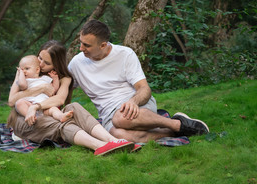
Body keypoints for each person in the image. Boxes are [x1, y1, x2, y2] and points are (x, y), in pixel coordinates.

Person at [68, 19, 209, 143]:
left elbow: (144, 89)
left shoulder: (125, 54)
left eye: (86, 45)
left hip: (137, 106)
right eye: (81, 43)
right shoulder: (77, 63)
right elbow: (63, 88)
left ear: (103, 45)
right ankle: (170, 131)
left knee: (120, 118)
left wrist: (133, 102)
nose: (81, 48)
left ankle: (179, 125)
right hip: (108, 116)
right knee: (119, 136)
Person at [7, 40, 141, 156]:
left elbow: (59, 100)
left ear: (56, 64)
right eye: (39, 58)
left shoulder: (64, 78)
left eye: (46, 62)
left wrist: (37, 106)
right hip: (27, 120)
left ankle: (114, 141)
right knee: (62, 123)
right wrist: (40, 89)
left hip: (50, 115)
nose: (40, 64)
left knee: (74, 107)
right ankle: (99, 146)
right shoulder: (25, 73)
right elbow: (12, 101)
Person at [13, 54, 73, 123]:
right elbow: (22, 85)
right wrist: (20, 74)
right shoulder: (26, 81)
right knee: (19, 103)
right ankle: (30, 117)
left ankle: (61, 116)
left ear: (37, 69)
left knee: (53, 109)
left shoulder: (45, 79)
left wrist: (55, 79)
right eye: (22, 69)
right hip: (30, 105)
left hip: (44, 106)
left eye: (27, 68)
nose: (24, 71)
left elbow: (53, 90)